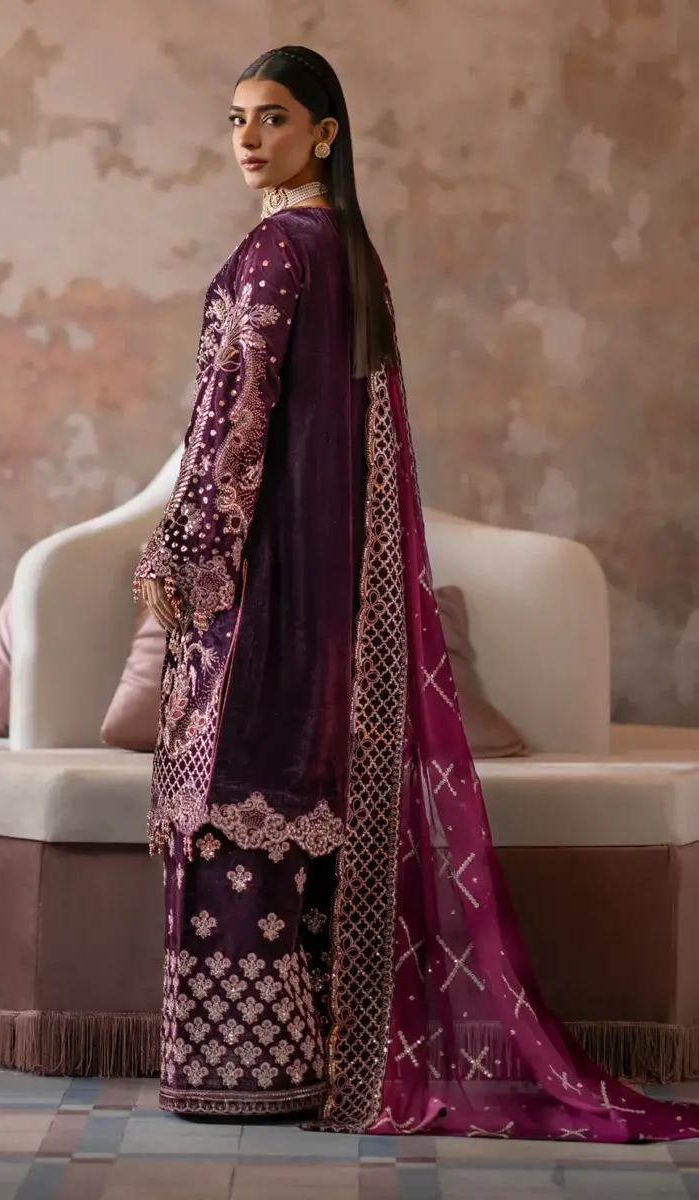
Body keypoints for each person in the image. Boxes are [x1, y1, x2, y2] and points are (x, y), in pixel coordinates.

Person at [135, 46, 697, 1140]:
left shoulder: (273, 252)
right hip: (331, 601)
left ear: (325, 133)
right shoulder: (351, 252)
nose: (248, 139)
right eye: (237, 119)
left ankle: (240, 1077)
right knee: (295, 811)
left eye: (274, 118)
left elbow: (230, 424)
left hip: (260, 592)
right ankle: (308, 1063)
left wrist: (181, 562)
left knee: (231, 808)